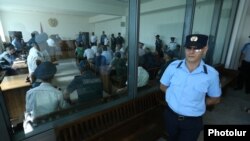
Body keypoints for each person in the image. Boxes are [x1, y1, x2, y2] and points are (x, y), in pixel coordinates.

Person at [160, 34, 221, 141]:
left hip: (192, 121)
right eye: (189, 48)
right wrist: (174, 96)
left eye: (197, 48)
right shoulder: (173, 66)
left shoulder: (211, 74)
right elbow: (163, 86)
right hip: (170, 116)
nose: (191, 52)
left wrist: (197, 102)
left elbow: (215, 99)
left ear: (205, 49)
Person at [24, 61, 68, 132]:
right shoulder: (58, 93)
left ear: (40, 78)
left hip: (36, 129)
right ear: (53, 76)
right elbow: (65, 109)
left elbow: (28, 111)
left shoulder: (29, 93)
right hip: (53, 128)